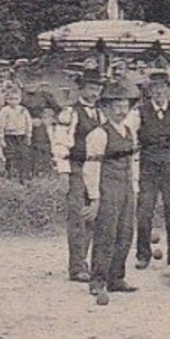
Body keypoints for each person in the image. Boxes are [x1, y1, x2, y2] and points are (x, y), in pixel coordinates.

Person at [82, 80, 142, 295]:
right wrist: (94, 197)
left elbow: (134, 162)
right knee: (106, 235)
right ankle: (98, 280)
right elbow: (91, 166)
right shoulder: (99, 134)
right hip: (107, 190)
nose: (120, 111)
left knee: (125, 233)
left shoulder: (129, 131)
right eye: (116, 106)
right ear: (105, 108)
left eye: (125, 106)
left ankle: (116, 278)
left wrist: (134, 188)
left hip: (126, 189)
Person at [134, 71, 170, 270]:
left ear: (169, 90)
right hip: (148, 166)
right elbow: (129, 134)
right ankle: (142, 255)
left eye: (163, 88)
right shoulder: (139, 111)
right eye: (154, 89)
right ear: (149, 92)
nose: (158, 92)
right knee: (144, 211)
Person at [59, 71, 106, 282]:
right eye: (91, 88)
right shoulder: (70, 113)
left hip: (96, 168)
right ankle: (76, 266)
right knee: (77, 216)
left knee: (93, 216)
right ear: (82, 88)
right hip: (76, 167)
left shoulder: (102, 114)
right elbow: (60, 142)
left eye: (98, 88)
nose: (95, 92)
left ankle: (87, 262)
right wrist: (63, 170)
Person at [0, 87, 34, 179]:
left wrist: (28, 135)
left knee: (24, 155)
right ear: (6, 99)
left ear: (20, 99)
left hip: (21, 135)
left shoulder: (23, 110)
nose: (13, 101)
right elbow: (0, 125)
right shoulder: (5, 111)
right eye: (10, 99)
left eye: (16, 99)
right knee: (10, 155)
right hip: (9, 136)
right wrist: (1, 138)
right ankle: (10, 175)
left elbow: (28, 123)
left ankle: (24, 176)